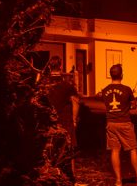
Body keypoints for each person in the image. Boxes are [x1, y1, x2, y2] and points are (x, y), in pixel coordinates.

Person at [101, 64, 137, 186]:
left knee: (115, 150)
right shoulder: (127, 89)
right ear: (121, 75)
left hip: (111, 123)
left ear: (111, 75)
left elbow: (107, 104)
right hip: (124, 122)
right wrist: (130, 105)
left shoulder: (104, 90)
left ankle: (118, 180)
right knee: (133, 149)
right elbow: (133, 105)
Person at [41, 55, 83, 184]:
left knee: (48, 150)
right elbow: (76, 102)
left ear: (49, 67)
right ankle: (71, 178)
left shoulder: (44, 84)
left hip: (48, 122)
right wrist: (74, 120)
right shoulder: (67, 85)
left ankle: (50, 177)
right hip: (66, 122)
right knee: (69, 150)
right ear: (60, 66)